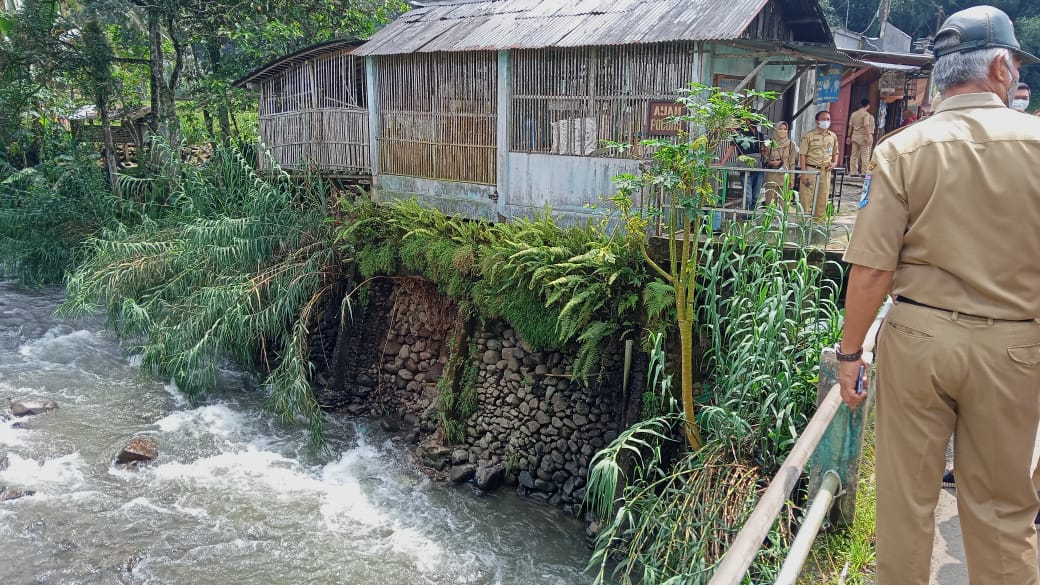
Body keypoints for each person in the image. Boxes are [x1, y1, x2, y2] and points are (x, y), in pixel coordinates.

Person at [836, 6, 1040, 585]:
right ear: (1002, 67)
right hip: (1015, 346)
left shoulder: (902, 150)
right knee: (1004, 512)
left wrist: (851, 354)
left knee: (906, 503)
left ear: (939, 75)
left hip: (919, 340)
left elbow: (873, 269)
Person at [798, 111, 839, 219]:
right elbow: (802, 155)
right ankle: (802, 225)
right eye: (824, 119)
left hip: (825, 172)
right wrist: (803, 173)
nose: (826, 121)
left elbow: (836, 153)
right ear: (817, 121)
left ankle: (818, 225)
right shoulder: (809, 136)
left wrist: (834, 163)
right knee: (806, 198)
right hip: (811, 170)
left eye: (828, 119)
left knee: (822, 199)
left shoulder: (833, 136)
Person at [759, 121, 798, 206]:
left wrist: (792, 178)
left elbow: (792, 163)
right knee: (770, 202)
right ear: (776, 129)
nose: (783, 131)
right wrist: (771, 162)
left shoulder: (791, 144)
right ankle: (769, 219)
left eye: (785, 129)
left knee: (784, 203)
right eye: (780, 129)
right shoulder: (768, 143)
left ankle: (782, 219)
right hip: (771, 175)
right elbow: (764, 159)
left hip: (785, 176)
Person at [846, 99, 875, 176]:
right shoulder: (866, 115)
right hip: (863, 137)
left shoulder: (854, 114)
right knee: (865, 155)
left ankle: (853, 172)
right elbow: (866, 126)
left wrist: (848, 136)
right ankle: (864, 172)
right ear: (868, 105)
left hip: (854, 136)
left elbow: (850, 126)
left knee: (854, 155)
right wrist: (868, 136)